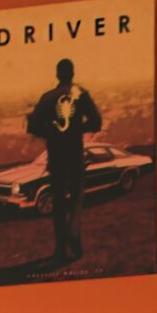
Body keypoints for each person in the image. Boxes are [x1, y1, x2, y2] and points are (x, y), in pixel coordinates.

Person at [25, 58, 103, 264]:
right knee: (77, 198)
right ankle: (74, 238)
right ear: (73, 73)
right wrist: (78, 128)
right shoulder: (81, 94)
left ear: (57, 75)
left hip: (57, 156)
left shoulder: (48, 97)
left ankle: (60, 247)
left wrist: (51, 131)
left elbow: (32, 126)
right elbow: (96, 122)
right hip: (74, 154)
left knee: (59, 201)